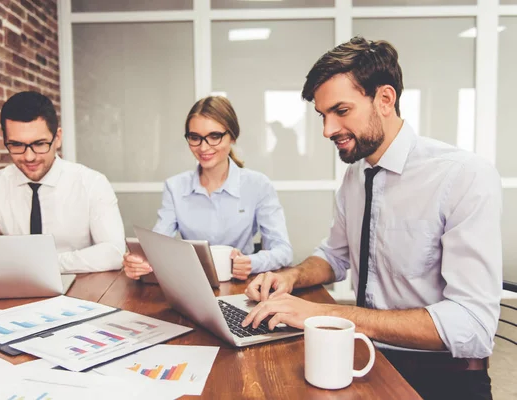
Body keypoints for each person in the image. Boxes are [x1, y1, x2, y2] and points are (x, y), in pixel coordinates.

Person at [241, 37, 501, 400]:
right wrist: (290, 277)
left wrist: (322, 314)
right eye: (322, 115)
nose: (327, 130)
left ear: (385, 99)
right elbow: (335, 255)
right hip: (368, 356)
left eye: (341, 111)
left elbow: (473, 326)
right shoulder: (356, 176)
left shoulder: (462, 176)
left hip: (443, 377)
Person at [0, 91, 126, 273]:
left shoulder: (92, 183)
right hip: (19, 286)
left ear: (57, 138)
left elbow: (114, 253)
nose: (29, 157)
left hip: (83, 285)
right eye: (17, 145)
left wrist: (44, 264)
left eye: (39, 144)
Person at [123, 96, 293, 281]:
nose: (203, 147)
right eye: (195, 138)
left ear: (232, 137)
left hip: (243, 285)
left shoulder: (258, 185)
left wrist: (252, 262)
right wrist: (138, 261)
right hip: (192, 284)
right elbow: (157, 245)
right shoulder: (175, 187)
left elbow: (283, 250)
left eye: (214, 136)